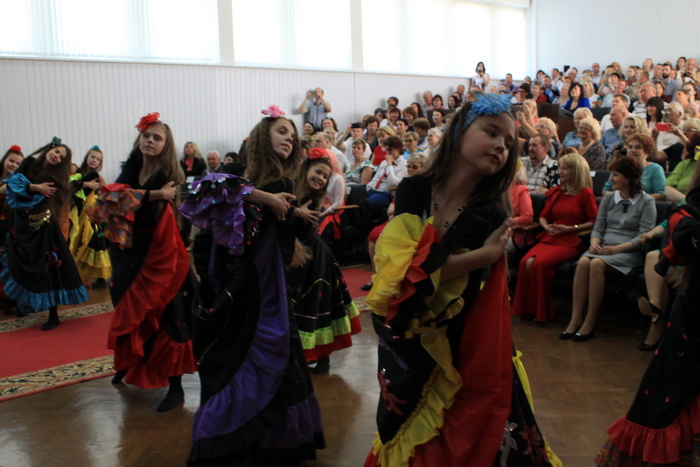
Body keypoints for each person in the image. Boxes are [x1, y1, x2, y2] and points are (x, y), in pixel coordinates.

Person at [363, 93, 559, 466]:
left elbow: (426, 273)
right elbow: (402, 271)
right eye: (491, 132)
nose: (501, 146)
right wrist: (481, 255)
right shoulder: (415, 188)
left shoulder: (492, 208)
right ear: (459, 133)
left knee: (466, 429)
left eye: (508, 143)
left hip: (458, 335)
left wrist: (458, 263)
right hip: (408, 330)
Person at [181, 106, 325, 465]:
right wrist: (264, 198)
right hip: (232, 282)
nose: (289, 139)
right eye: (281, 131)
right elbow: (197, 189)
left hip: (265, 287)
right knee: (233, 355)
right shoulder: (240, 174)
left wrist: (293, 213)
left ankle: (267, 443)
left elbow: (284, 238)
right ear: (263, 136)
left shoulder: (285, 185)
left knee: (268, 354)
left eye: (292, 134)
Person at [86, 113, 198, 413]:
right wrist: (151, 195)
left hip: (160, 254)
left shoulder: (170, 174)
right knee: (128, 310)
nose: (149, 141)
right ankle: (128, 362)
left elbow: (124, 199)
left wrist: (136, 197)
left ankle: (175, 386)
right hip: (128, 252)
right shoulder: (131, 167)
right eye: (146, 136)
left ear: (166, 145)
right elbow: (111, 200)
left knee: (168, 315)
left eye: (156, 137)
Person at [596, 182, 700, 466]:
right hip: (692, 322)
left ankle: (655, 311)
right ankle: (655, 311)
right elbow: (679, 236)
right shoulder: (690, 214)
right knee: (666, 399)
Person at [561, 157, 656, 341]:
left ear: (629, 178)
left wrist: (617, 249)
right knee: (583, 262)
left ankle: (590, 320)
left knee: (596, 264)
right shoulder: (609, 198)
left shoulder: (647, 202)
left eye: (616, 175)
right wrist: (594, 242)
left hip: (628, 251)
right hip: (603, 247)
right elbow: (598, 228)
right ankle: (576, 318)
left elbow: (643, 237)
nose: (611, 179)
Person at [0, 138, 88, 328]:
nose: (56, 156)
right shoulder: (29, 162)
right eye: (56, 152)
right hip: (20, 224)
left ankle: (53, 315)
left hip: (43, 228)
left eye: (61, 157)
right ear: (50, 149)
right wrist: (35, 187)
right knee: (20, 264)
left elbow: (45, 198)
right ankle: (23, 305)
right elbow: (14, 182)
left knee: (47, 269)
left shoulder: (56, 177)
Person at [289, 150, 361, 374]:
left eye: (325, 176)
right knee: (305, 304)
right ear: (306, 169)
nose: (320, 178)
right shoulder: (294, 190)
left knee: (314, 304)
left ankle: (320, 357)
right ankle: (309, 356)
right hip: (301, 253)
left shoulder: (312, 198)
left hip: (311, 256)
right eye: (318, 172)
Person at [512, 153, 598, 323]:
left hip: (570, 241)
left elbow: (594, 221)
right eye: (560, 168)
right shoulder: (557, 192)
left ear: (576, 171)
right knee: (525, 262)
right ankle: (528, 310)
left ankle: (540, 312)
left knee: (540, 264)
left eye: (565, 168)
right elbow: (543, 216)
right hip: (551, 237)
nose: (560, 171)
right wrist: (546, 227)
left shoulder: (585, 194)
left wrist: (570, 228)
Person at [68, 146, 111, 285]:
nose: (94, 160)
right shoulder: (77, 172)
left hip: (90, 214)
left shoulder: (97, 177)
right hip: (76, 211)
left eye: (98, 159)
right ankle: (76, 276)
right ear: (87, 157)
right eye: (92, 157)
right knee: (76, 241)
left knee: (91, 242)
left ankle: (97, 278)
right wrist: (85, 184)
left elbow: (103, 194)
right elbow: (69, 186)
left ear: (100, 163)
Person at [602, 133, 666, 199]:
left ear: (646, 151)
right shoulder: (619, 166)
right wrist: (621, 198)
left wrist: (637, 200)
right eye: (630, 147)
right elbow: (606, 190)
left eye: (637, 147)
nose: (632, 150)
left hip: (643, 203)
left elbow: (661, 193)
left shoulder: (655, 169)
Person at [0, 145, 24, 312]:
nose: (13, 165)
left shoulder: (19, 182)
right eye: (11, 161)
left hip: (9, 228)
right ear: (4, 160)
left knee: (8, 263)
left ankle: (10, 298)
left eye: (17, 163)